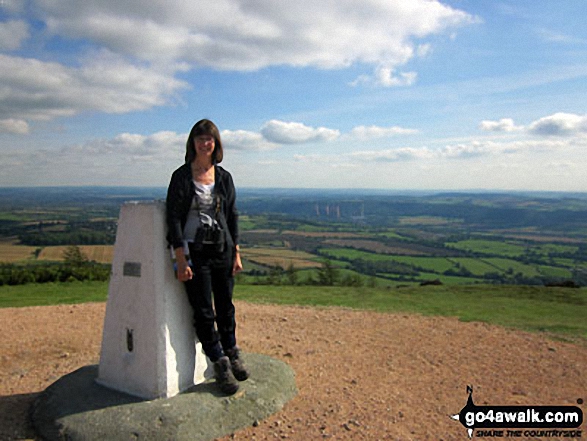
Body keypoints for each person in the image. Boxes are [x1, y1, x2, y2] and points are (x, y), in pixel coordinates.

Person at [166, 119, 247, 395]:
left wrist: (236, 251)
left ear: (216, 144)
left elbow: (232, 215)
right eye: (200, 138)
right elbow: (173, 217)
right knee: (203, 310)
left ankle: (232, 349)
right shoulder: (181, 176)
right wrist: (180, 256)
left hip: (222, 250)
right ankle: (219, 361)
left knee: (226, 305)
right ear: (193, 143)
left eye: (209, 139)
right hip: (195, 251)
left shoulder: (224, 177)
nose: (205, 143)